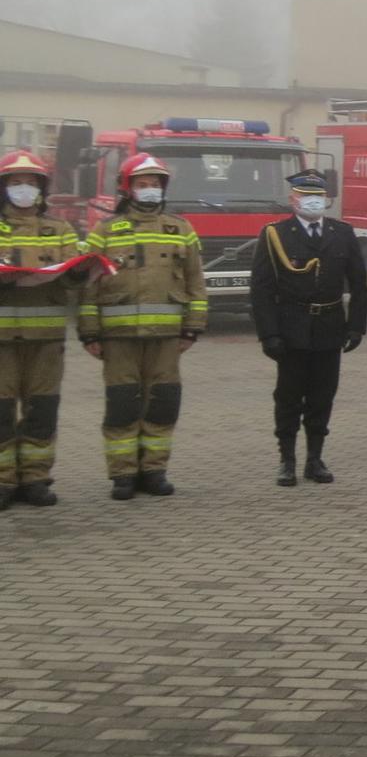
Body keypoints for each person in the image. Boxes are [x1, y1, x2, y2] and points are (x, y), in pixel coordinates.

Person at [77, 154, 207, 501]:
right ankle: (122, 475)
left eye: (155, 184)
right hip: (117, 339)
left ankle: (154, 471)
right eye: (142, 184)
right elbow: (88, 286)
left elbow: (196, 282)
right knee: (122, 406)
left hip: (166, 340)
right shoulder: (104, 232)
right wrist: (89, 333)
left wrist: (192, 328)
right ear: (127, 188)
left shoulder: (181, 229)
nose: (149, 190)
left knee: (162, 404)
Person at [249, 169, 367, 487]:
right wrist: (269, 333)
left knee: (322, 396)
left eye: (318, 196)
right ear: (293, 200)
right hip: (291, 329)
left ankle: (315, 459)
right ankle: (286, 460)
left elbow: (359, 284)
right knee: (288, 398)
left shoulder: (342, 233)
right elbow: (261, 289)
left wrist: (356, 327)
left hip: (330, 327)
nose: (313, 202)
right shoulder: (276, 234)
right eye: (306, 196)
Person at [0, 150, 82, 509]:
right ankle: (3, 482)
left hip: (47, 342)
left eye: (30, 182)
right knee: (1, 414)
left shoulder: (60, 229)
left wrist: (79, 272)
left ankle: (36, 479)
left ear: (41, 188)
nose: (23, 189)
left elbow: (73, 274)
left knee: (42, 412)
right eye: (16, 182)